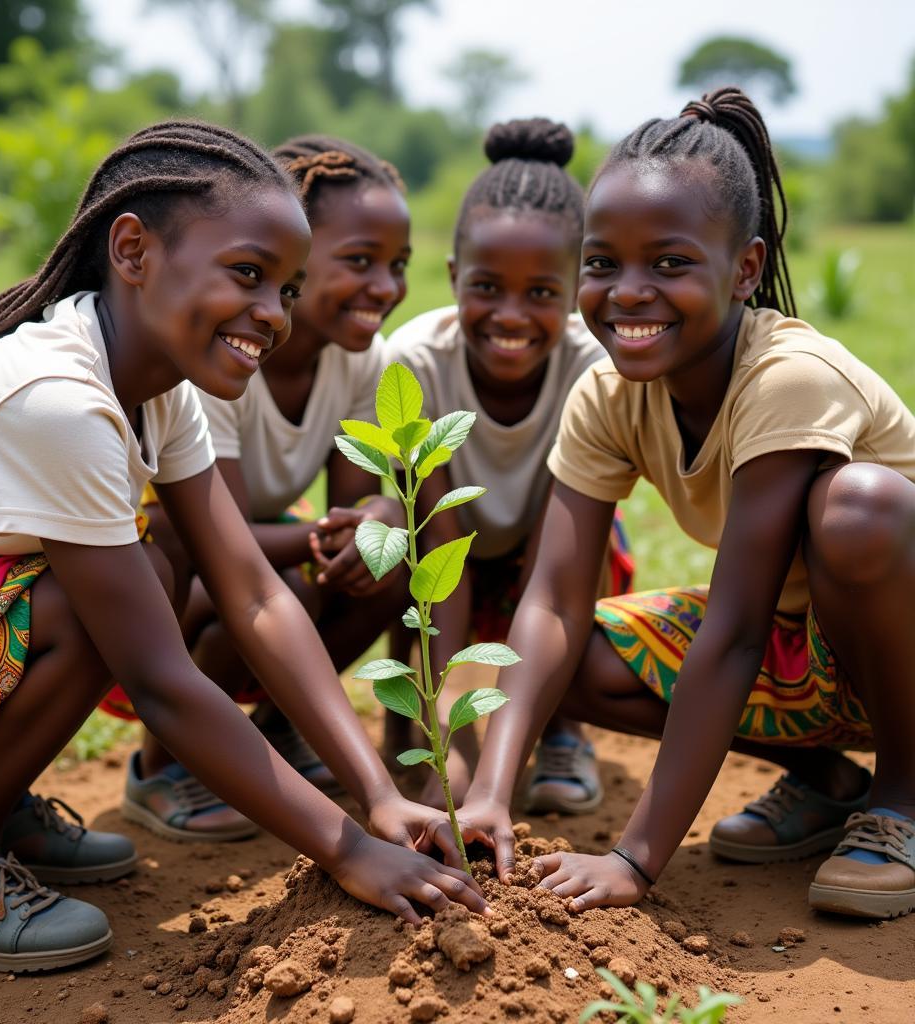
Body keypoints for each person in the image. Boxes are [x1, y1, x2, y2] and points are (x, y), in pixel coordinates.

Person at [0, 121, 490, 975]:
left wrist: (379, 794)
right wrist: (350, 849)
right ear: (132, 249)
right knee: (98, 602)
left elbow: (251, 590)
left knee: (150, 570)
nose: (271, 314)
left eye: (285, 289)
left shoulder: (154, 384)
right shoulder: (55, 401)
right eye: (248, 274)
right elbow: (162, 681)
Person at [448, 89, 915, 921]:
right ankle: (829, 784)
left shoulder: (791, 378)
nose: (628, 293)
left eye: (668, 264)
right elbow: (553, 601)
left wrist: (636, 857)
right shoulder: (605, 394)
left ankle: (904, 801)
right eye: (601, 263)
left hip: (895, 648)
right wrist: (490, 791)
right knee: (560, 657)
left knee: (860, 509)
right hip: (811, 656)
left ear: (743, 270)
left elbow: (734, 630)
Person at [120, 135, 414, 840]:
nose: (385, 287)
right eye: (359, 262)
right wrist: (321, 537)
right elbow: (206, 535)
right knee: (281, 586)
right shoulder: (224, 353)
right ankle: (163, 768)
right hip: (165, 578)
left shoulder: (361, 363)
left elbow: (353, 500)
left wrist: (372, 517)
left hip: (260, 546)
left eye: (398, 265)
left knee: (391, 563)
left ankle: (279, 731)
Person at [386, 118, 633, 813]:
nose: (512, 316)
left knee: (595, 555)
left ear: (578, 288)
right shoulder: (414, 365)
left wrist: (501, 763)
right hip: (450, 552)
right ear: (454, 277)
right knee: (408, 569)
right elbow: (440, 547)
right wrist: (451, 755)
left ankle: (564, 729)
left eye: (543, 293)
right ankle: (408, 724)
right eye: (487, 287)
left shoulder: (594, 366)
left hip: (550, 550)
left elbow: (551, 575)